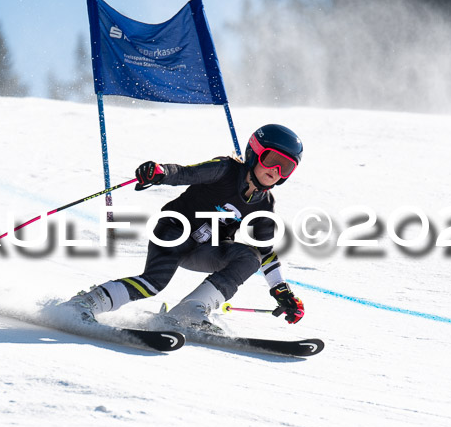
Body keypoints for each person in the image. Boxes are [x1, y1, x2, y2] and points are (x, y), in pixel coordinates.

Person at [64, 124, 305, 329]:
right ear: (254, 153)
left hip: (206, 249)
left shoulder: (265, 205)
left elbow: (265, 251)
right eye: (271, 160)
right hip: (174, 232)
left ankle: (190, 311)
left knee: (250, 257)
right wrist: (159, 173)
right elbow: (185, 174)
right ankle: (85, 303)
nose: (275, 171)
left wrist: (281, 291)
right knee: (153, 283)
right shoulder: (225, 169)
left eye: (285, 167)